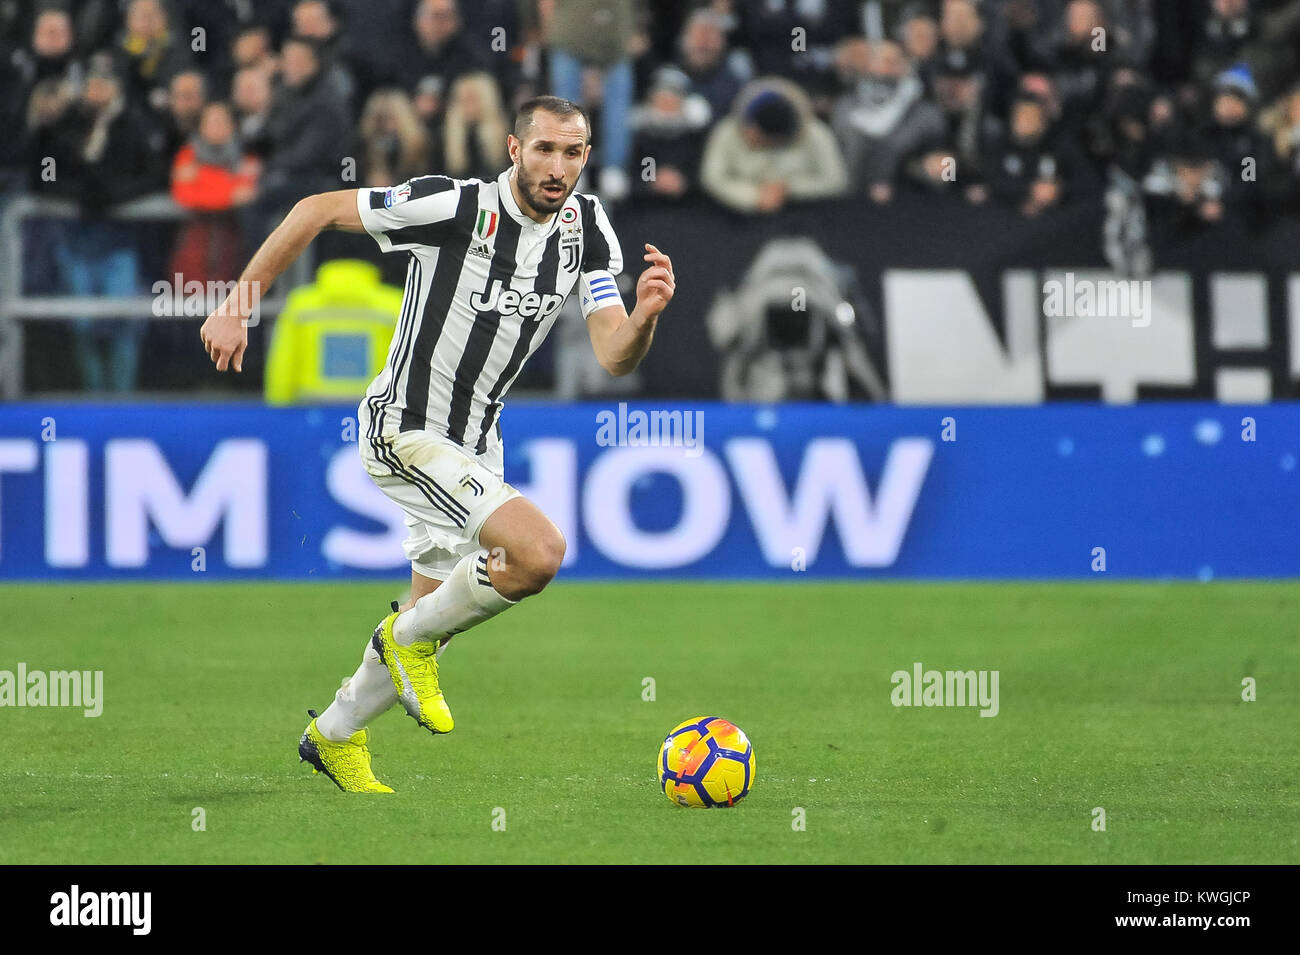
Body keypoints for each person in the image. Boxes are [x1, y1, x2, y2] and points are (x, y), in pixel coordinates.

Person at [199, 96, 676, 792]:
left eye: (573, 152)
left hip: (478, 446)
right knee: (536, 553)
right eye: (543, 148)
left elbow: (613, 355)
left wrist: (645, 319)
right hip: (407, 430)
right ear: (513, 149)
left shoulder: (587, 227)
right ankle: (405, 642)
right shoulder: (453, 206)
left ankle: (333, 734)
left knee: (435, 615)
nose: (559, 166)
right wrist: (238, 305)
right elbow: (314, 209)